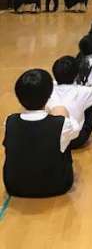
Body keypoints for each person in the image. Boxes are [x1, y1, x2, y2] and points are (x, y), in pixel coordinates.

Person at [3, 69, 79, 197]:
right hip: (57, 186)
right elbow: (76, 132)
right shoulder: (61, 123)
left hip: (14, 187)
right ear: (49, 95)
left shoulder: (9, 121)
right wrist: (63, 114)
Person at [47, 56, 92, 149]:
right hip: (76, 140)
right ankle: (89, 124)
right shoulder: (82, 90)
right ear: (76, 74)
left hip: (54, 138)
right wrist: (89, 86)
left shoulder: (49, 88)